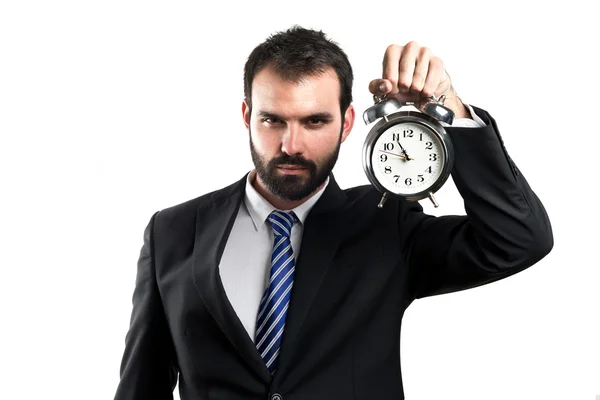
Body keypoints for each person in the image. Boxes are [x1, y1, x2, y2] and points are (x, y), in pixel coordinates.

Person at [113, 26, 553, 400]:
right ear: (246, 115)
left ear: (346, 123)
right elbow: (140, 389)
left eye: (314, 122)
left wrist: (450, 108)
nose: (291, 145)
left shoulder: (387, 226)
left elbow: (519, 239)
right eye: (272, 120)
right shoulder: (171, 232)